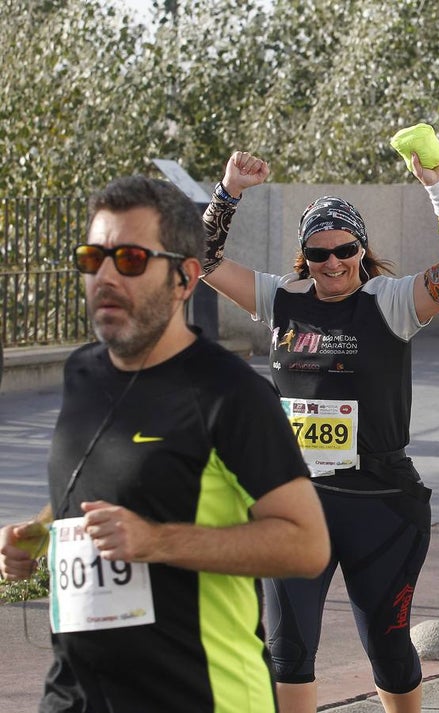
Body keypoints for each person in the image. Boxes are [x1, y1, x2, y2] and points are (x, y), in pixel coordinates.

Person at [0, 176, 330, 712]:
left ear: (184, 278)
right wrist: (38, 536)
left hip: (198, 696)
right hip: (75, 695)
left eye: (129, 259)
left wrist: (157, 541)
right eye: (94, 257)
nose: (105, 276)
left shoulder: (230, 394)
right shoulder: (82, 372)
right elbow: (97, 485)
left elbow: (307, 545)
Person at [201, 144, 439, 713]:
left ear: (361, 249)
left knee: (388, 646)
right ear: (305, 255)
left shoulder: (391, 301)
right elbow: (199, 260)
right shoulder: (281, 299)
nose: (333, 263)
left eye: (345, 250)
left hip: (380, 501)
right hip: (295, 503)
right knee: (286, 650)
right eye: (319, 252)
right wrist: (228, 192)